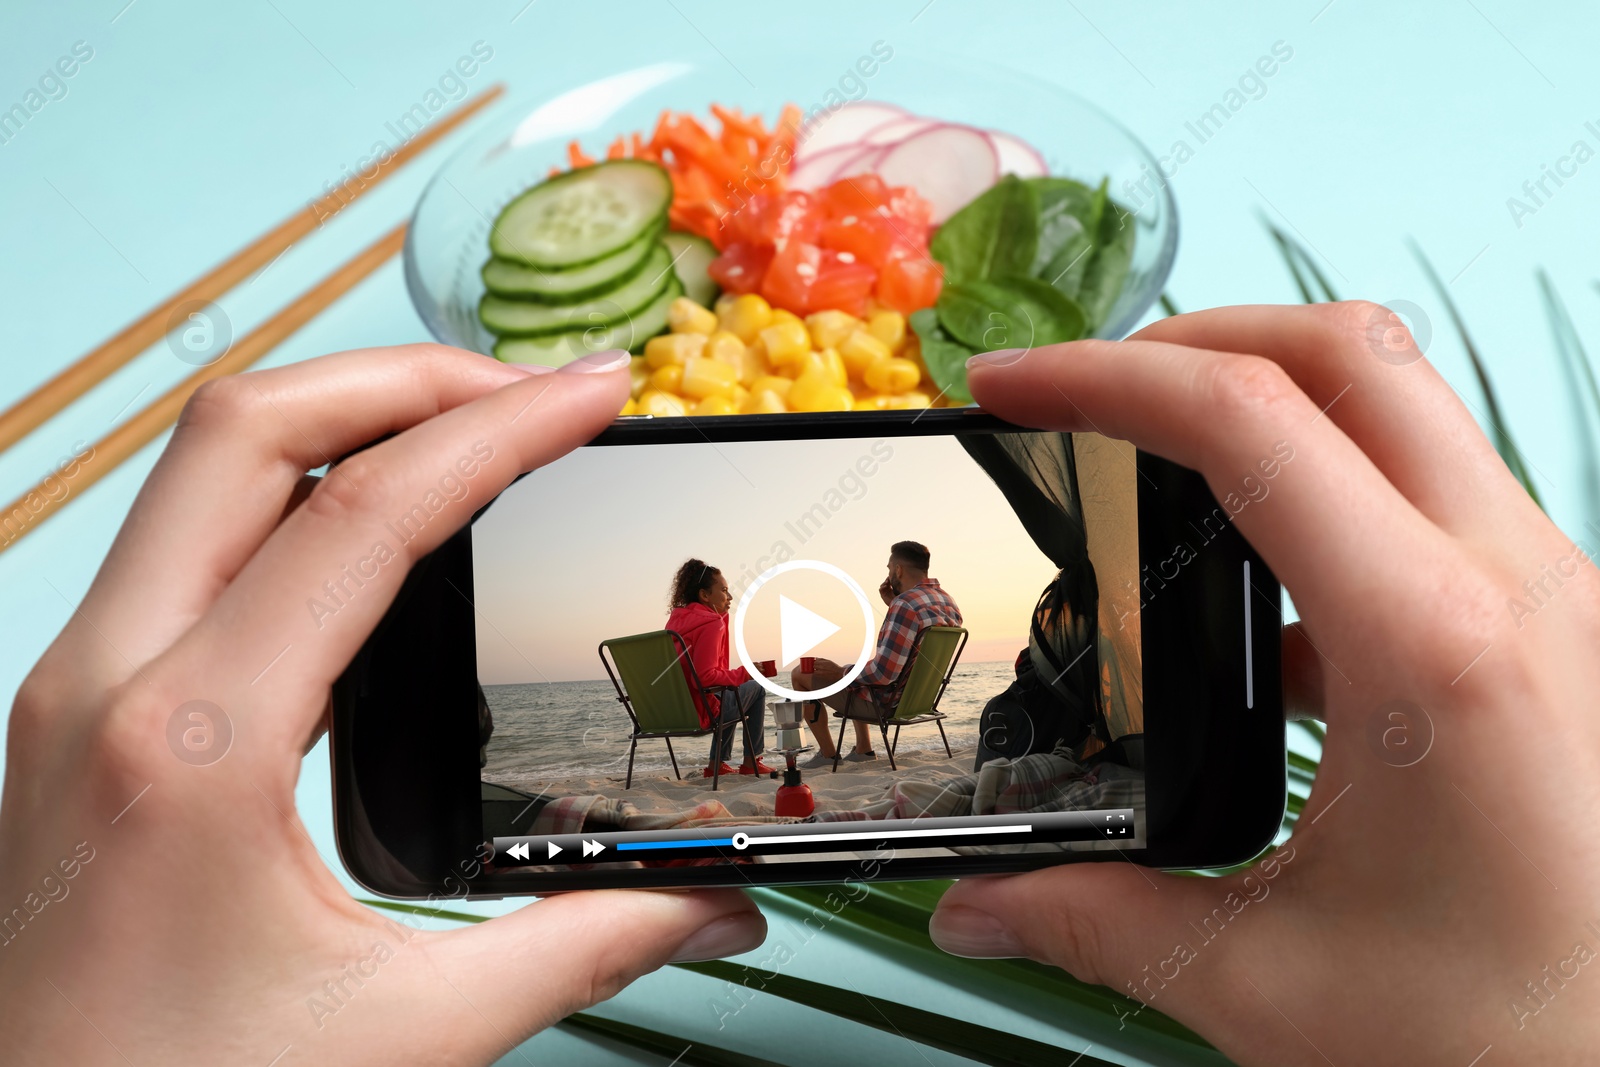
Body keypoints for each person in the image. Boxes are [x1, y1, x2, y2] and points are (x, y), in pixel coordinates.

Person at [4, 302, 1598, 1065]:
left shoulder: (714, 631)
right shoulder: (835, 626)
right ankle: (800, 760)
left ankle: (738, 778)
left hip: (716, 717)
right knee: (796, 708)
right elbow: (845, 659)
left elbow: (768, 662)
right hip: (794, 705)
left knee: (787, 709)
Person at [791, 541, 962, 765]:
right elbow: (914, 645)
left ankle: (828, 755)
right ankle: (864, 750)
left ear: (898, 569)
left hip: (887, 704)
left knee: (800, 674)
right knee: (856, 669)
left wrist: (841, 672)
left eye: (890, 568)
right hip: (919, 700)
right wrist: (893, 604)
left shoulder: (905, 605)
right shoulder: (948, 602)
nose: (890, 574)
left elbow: (883, 674)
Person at [664, 558, 776, 778]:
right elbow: (705, 677)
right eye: (724, 590)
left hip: (669, 714)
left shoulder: (676, 623)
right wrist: (747, 672)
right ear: (705, 596)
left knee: (729, 691)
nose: (730, 596)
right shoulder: (710, 623)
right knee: (755, 688)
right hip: (699, 713)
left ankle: (717, 765)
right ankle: (751, 761)